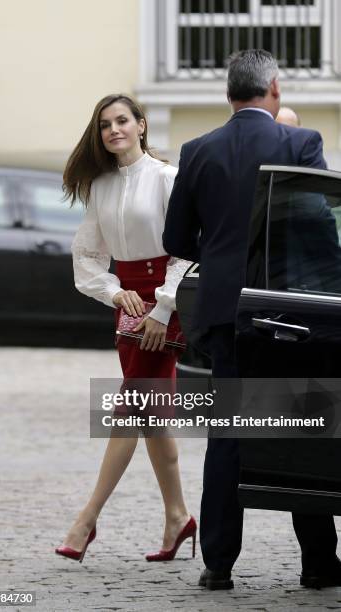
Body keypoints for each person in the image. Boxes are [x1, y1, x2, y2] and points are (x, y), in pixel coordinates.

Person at [163, 49, 340, 590]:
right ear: (275, 89)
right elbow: (314, 227)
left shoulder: (197, 149)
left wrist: (220, 258)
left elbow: (174, 240)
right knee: (303, 429)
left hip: (224, 313)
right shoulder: (299, 143)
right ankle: (318, 564)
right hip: (286, 311)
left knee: (228, 433)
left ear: (229, 94)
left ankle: (218, 565)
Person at [55, 94, 196, 564]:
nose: (113, 129)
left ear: (141, 125)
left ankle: (86, 520)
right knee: (153, 419)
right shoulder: (99, 186)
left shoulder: (168, 178)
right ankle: (178, 516)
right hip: (128, 308)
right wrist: (115, 292)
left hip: (163, 307)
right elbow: (88, 257)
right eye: (104, 125)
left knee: (130, 410)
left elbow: (189, 249)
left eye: (122, 121)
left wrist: (163, 307)